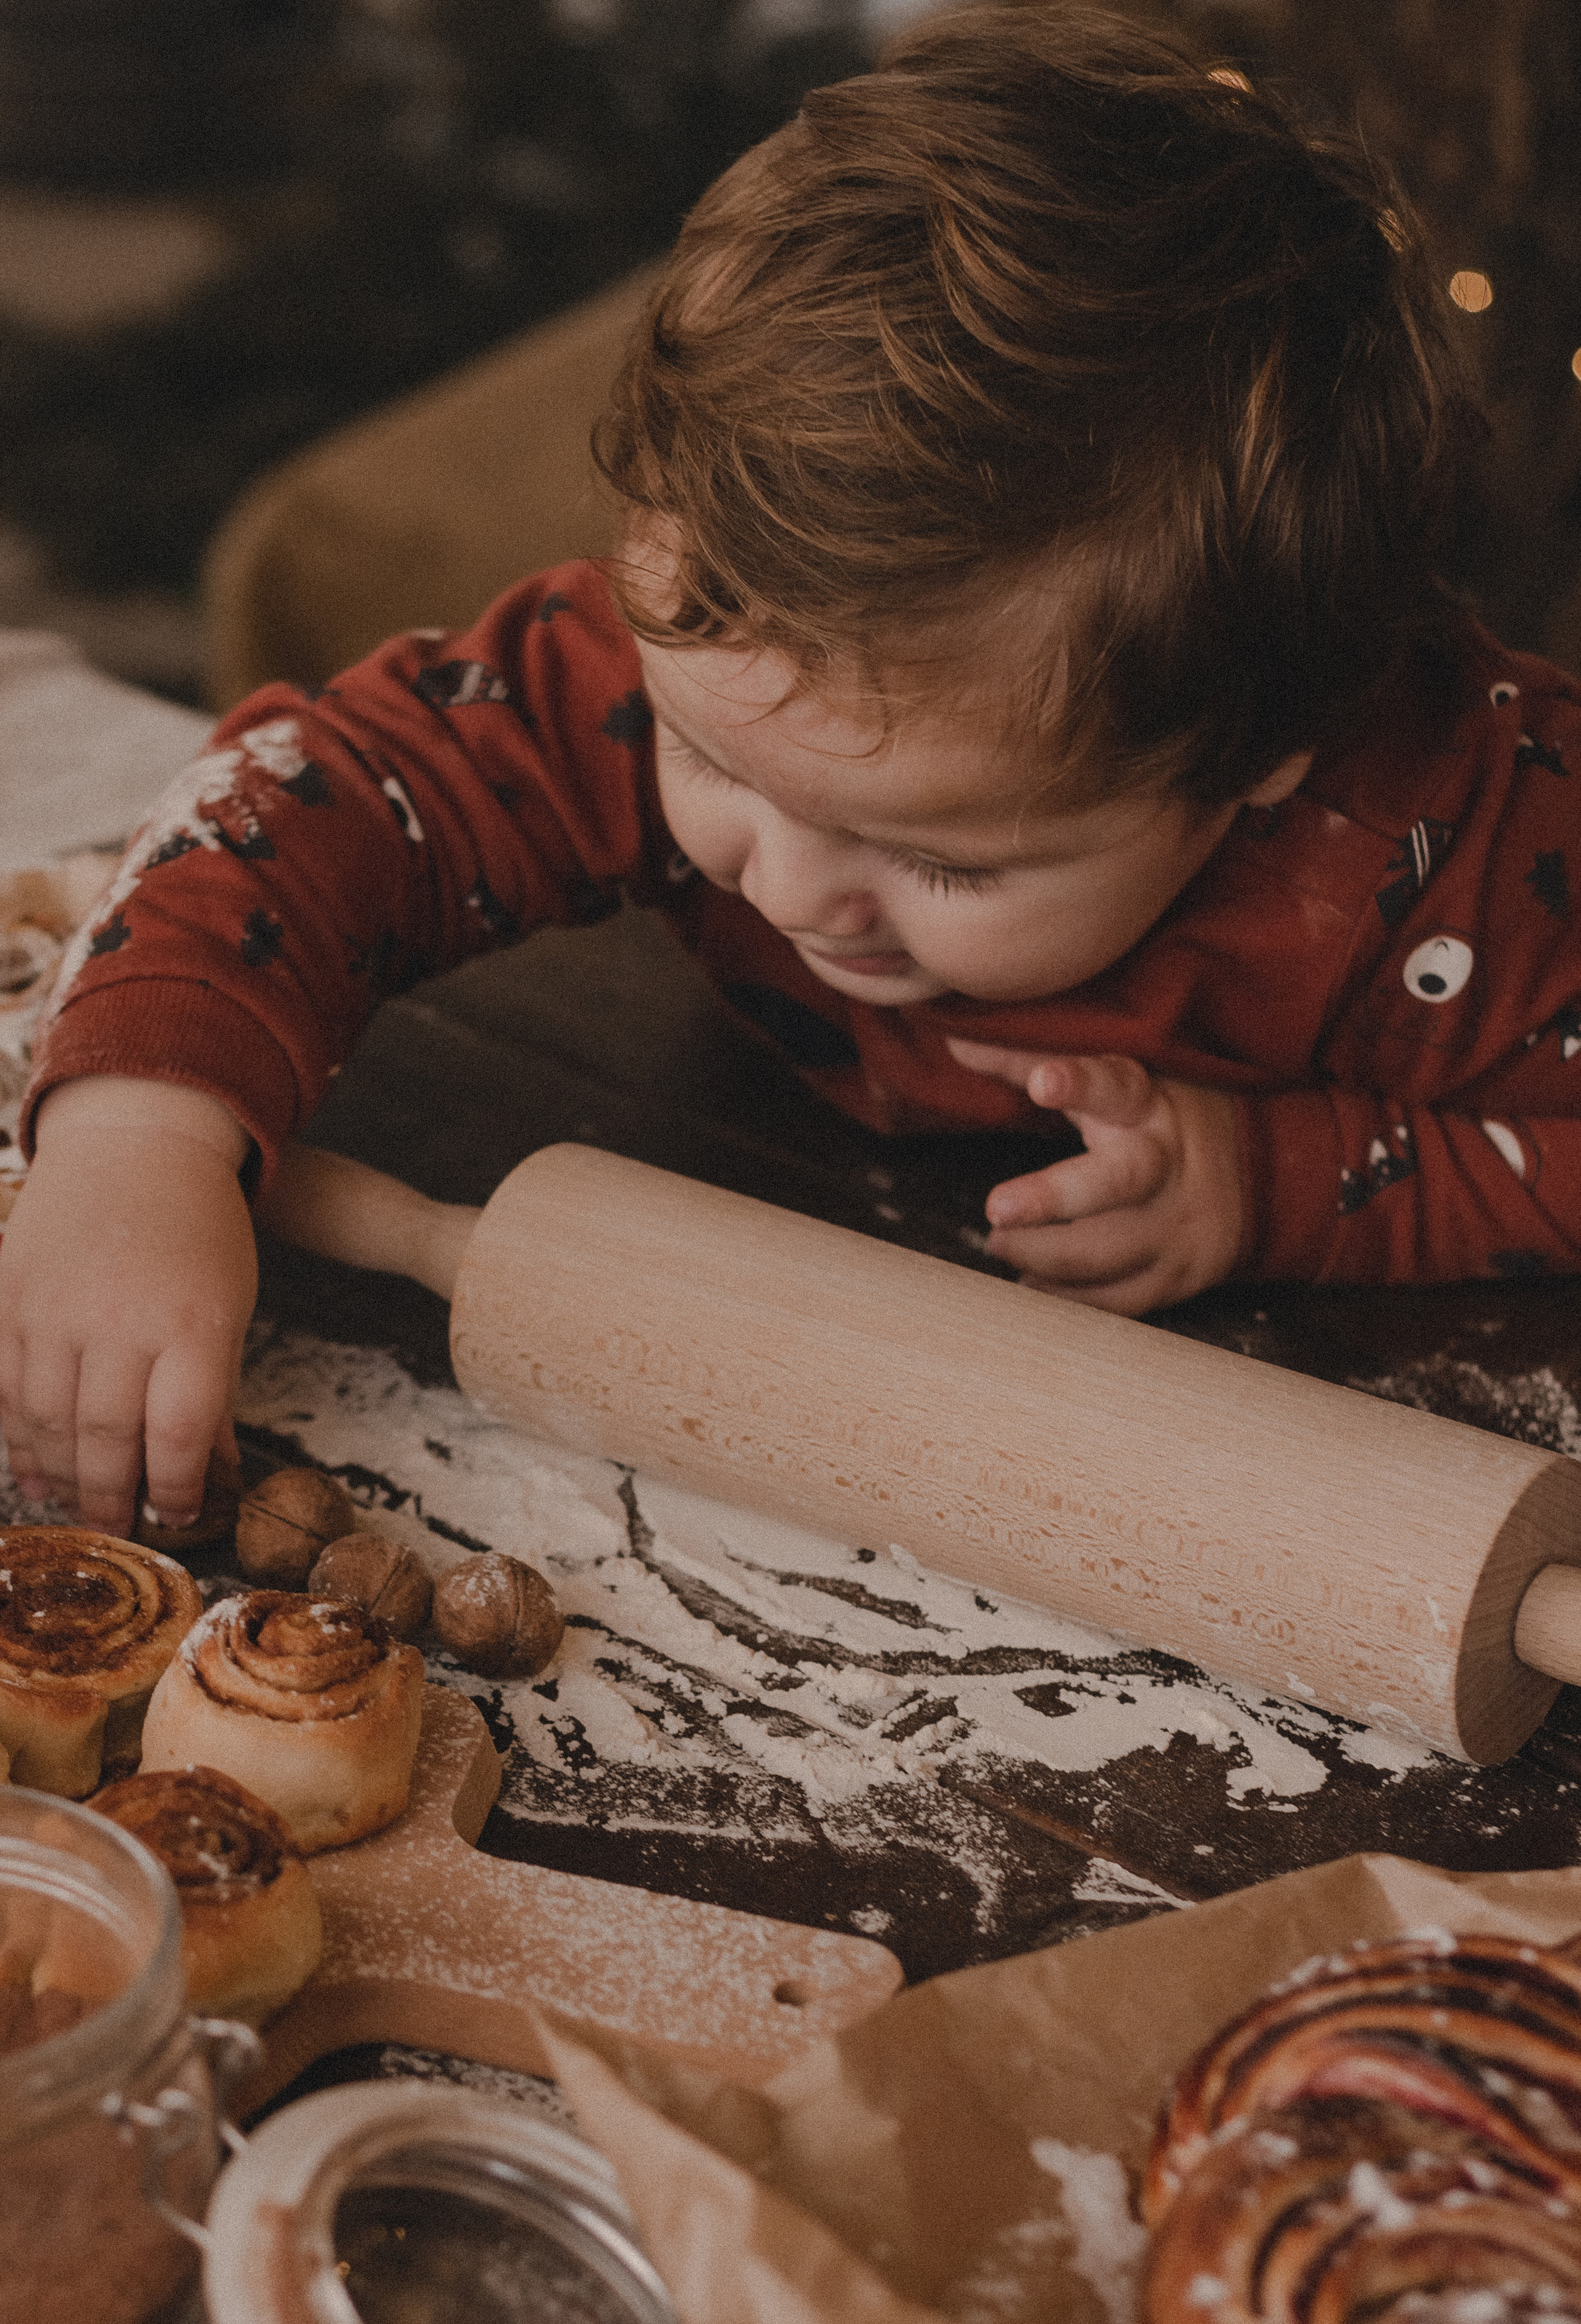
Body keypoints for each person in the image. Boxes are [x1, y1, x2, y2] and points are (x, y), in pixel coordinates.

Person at [2, 1, 1577, 1542]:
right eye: (705, 756)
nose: (784, 880)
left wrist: (1279, 1182)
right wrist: (141, 1131)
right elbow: (326, 790)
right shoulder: (722, 650)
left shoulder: (1476, 862)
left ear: (1253, 763)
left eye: (943, 862)